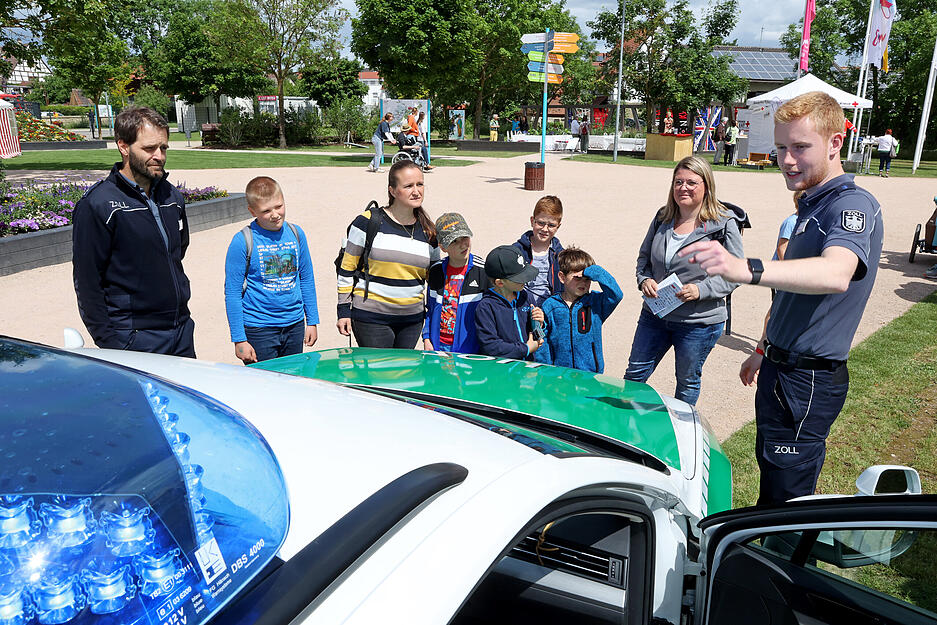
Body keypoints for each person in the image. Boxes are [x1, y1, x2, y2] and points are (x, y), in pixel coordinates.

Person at [679, 91, 884, 505]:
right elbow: (793, 295)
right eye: (780, 148)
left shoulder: (851, 205)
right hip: (781, 366)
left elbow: (836, 273)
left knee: (785, 499)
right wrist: (763, 348)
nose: (787, 160)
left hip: (807, 380)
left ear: (834, 143)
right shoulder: (811, 204)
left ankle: (780, 568)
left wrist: (746, 268)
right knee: (772, 477)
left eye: (800, 147)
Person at [72, 106, 196, 357]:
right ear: (123, 146)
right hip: (135, 337)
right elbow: (87, 282)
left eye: (163, 148)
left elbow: (176, 252)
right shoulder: (99, 205)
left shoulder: (171, 196)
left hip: (180, 330)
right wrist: (111, 343)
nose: (159, 156)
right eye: (149, 148)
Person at [624, 155, 746, 405]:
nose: (683, 188)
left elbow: (737, 271)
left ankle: (683, 431)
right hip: (655, 315)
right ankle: (624, 430)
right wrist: (643, 279)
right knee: (634, 377)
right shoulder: (663, 218)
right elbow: (643, 259)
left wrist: (701, 290)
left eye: (691, 182)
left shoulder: (723, 224)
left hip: (697, 322)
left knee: (687, 381)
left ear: (706, 186)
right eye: (678, 182)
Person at [336, 160, 439, 348]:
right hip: (371, 318)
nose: (416, 191)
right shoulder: (367, 222)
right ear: (392, 190)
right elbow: (347, 269)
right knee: (378, 375)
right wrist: (343, 310)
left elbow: (434, 280)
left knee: (403, 376)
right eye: (408, 186)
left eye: (420, 184)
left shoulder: (430, 232)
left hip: (412, 320)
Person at [223, 176, 318, 364]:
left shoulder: (296, 234)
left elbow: (306, 278)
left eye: (279, 206)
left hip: (294, 324)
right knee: (264, 387)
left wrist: (312, 321)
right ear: (252, 211)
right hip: (259, 328)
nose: (275, 214)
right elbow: (232, 292)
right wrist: (239, 339)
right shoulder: (242, 241)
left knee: (293, 383)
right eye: (266, 210)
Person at [534, 247, 622, 373]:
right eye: (577, 278)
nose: (583, 283)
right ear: (562, 277)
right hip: (559, 375)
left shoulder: (595, 302)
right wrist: (546, 370)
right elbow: (543, 339)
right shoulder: (550, 305)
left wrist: (596, 272)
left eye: (587, 279)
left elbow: (616, 295)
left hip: (590, 374)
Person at [422, 213, 487, 353]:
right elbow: (430, 308)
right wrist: (426, 337)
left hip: (471, 348)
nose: (462, 244)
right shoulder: (435, 271)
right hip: (438, 346)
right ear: (443, 247)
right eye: (454, 241)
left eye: (465, 238)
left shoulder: (483, 271)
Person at [475, 245, 544, 360]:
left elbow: (537, 334)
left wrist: (540, 323)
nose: (526, 280)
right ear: (500, 283)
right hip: (502, 371)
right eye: (519, 278)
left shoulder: (526, 296)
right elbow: (490, 346)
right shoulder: (486, 307)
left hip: (527, 367)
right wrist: (526, 349)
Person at [513, 195, 565, 306]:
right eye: (541, 223)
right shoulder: (517, 250)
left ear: (558, 227)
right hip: (522, 307)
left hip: (550, 308)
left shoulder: (561, 255)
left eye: (551, 225)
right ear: (532, 221)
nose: (545, 229)